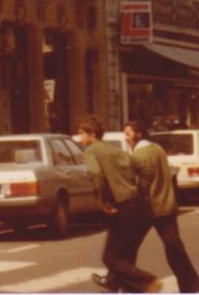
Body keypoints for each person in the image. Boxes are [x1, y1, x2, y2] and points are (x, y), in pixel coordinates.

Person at [73, 115, 161, 294]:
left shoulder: (91, 151)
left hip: (120, 205)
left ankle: (147, 281)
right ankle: (114, 284)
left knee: (110, 257)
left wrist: (102, 200)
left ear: (91, 134)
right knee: (123, 252)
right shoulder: (113, 149)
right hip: (135, 204)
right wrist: (139, 191)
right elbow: (145, 169)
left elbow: (96, 175)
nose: (79, 138)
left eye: (81, 133)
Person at [124, 120, 199, 293]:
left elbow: (140, 184)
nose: (126, 138)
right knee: (174, 249)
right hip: (165, 205)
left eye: (128, 134)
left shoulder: (140, 155)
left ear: (138, 134)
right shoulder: (157, 149)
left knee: (127, 247)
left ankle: (125, 283)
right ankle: (190, 286)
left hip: (147, 208)